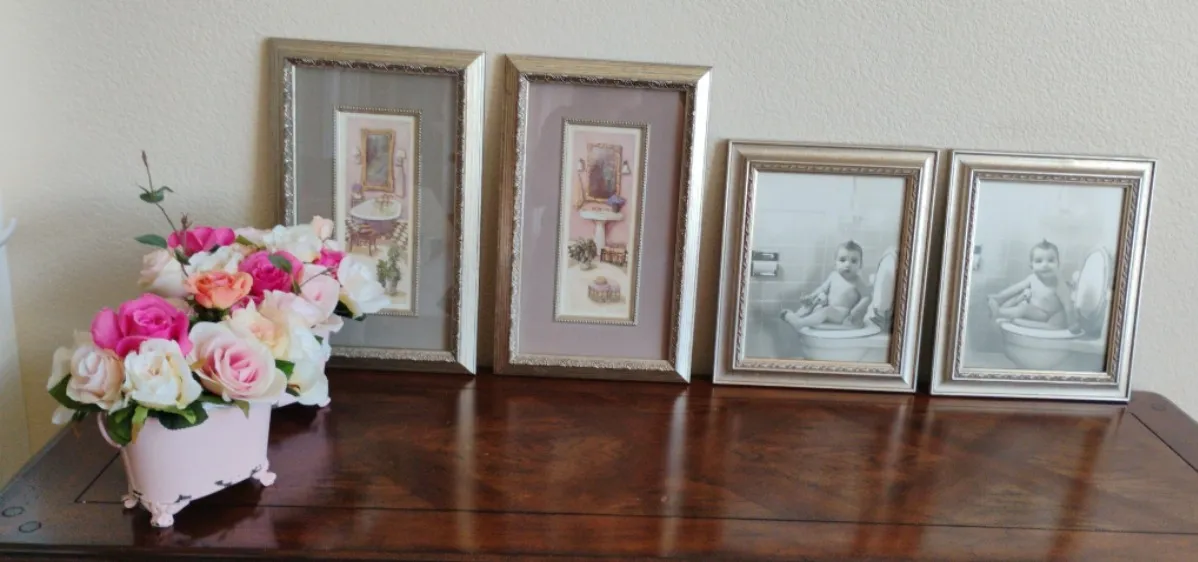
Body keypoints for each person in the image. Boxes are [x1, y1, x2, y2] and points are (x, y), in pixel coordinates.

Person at [987, 239, 1081, 332]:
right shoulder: (1032, 278)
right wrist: (1000, 297)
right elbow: (1015, 289)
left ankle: (1002, 313)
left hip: (1050, 315)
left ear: (1058, 264)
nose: (1045, 265)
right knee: (1022, 302)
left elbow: (1068, 305)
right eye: (1039, 261)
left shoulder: (1058, 284)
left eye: (1051, 260)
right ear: (1032, 267)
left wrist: (1072, 323)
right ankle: (1001, 310)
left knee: (1059, 316)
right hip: (1036, 311)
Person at [781, 241, 872, 329]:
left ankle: (800, 323)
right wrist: (811, 297)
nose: (847, 264)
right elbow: (822, 289)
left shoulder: (857, 281)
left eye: (854, 261)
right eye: (842, 260)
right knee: (817, 301)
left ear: (860, 265)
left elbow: (867, 297)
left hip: (843, 313)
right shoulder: (833, 276)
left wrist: (855, 312)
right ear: (835, 263)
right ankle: (798, 315)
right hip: (830, 308)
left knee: (826, 311)